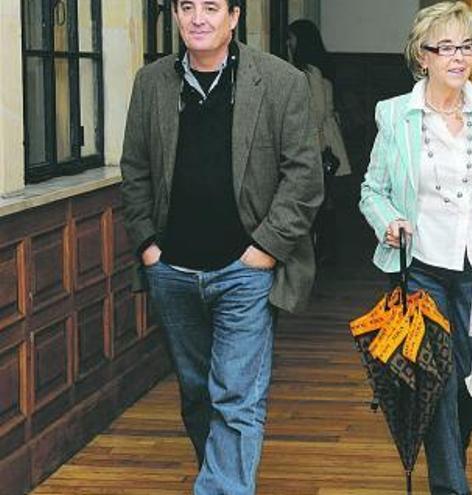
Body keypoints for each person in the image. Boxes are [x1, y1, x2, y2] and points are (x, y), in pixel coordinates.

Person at [119, 0, 323, 493]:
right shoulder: (151, 83)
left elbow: (304, 176)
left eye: (211, 6)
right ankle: (223, 474)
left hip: (244, 271)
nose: (198, 18)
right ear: (175, 16)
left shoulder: (280, 82)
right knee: (197, 394)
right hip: (172, 270)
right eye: (186, 6)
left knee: (236, 398)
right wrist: (149, 246)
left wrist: (265, 250)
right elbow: (134, 172)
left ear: (234, 17)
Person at [359, 2, 472, 493]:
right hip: (419, 265)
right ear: (421, 56)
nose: (458, 56)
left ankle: (451, 455)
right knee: (438, 382)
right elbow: (371, 190)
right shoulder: (395, 115)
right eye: (445, 47)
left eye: (467, 46)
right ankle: (451, 485)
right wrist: (388, 221)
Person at [287, 19, 351, 266]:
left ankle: (322, 251)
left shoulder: (308, 71)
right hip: (327, 138)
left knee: (319, 200)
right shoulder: (320, 67)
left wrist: (315, 147)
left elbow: (317, 112)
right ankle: (328, 250)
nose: (288, 43)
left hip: (319, 141)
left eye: (291, 38)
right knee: (326, 199)